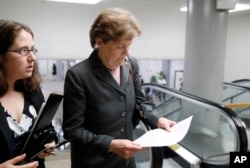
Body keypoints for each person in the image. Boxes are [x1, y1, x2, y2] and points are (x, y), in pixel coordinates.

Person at [62, 7, 176, 168]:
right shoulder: (78, 75)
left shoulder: (130, 64)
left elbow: (141, 102)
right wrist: (110, 144)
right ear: (99, 42)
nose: (126, 53)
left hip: (126, 162)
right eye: (120, 46)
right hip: (94, 163)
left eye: (129, 45)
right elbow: (73, 131)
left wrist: (157, 119)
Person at [0, 20, 57, 168]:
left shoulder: (33, 91)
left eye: (32, 49)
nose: (33, 57)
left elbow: (47, 128)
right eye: (23, 51)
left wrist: (48, 143)